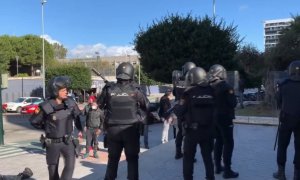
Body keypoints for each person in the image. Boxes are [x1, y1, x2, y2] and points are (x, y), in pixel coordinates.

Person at [98, 62, 149, 180]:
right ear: (131, 74)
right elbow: (147, 105)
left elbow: (99, 104)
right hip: (131, 130)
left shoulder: (109, 89)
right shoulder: (136, 90)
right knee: (132, 160)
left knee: (113, 160)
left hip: (113, 130)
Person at [29, 76, 83, 180]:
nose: (66, 92)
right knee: (53, 171)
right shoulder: (45, 106)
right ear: (55, 91)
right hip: (52, 143)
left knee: (70, 166)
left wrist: (80, 130)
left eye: (67, 89)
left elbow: (76, 117)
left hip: (68, 142)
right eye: (63, 90)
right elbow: (34, 121)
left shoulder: (71, 103)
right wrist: (47, 127)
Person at [175, 67, 215, 180]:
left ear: (193, 78)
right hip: (208, 131)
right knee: (208, 158)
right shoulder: (212, 90)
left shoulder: (188, 93)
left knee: (188, 159)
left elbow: (180, 111)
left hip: (192, 132)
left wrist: (176, 107)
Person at [208, 64, 239, 178]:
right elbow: (233, 103)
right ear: (220, 73)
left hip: (214, 118)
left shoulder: (209, 86)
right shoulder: (226, 87)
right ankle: (227, 170)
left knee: (219, 142)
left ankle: (217, 166)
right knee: (228, 143)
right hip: (225, 118)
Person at [273, 60, 300, 180]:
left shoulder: (283, 84)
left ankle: (281, 173)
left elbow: (278, 102)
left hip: (286, 118)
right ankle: (297, 175)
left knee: (282, 146)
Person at [172, 61, 196, 159]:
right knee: (189, 133)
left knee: (179, 133)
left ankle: (178, 153)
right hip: (188, 110)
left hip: (179, 110)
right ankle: (188, 155)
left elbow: (174, 94)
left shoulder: (177, 83)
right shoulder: (191, 83)